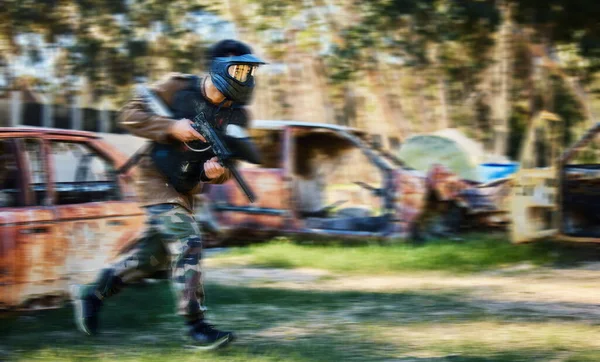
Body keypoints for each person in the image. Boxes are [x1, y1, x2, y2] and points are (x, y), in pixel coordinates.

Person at [72, 39, 266, 350]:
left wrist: (215, 173)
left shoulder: (238, 116)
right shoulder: (177, 86)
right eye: (239, 70)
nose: (246, 78)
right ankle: (196, 326)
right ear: (218, 68)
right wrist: (170, 127)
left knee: (149, 259)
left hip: (186, 187)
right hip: (154, 178)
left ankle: (93, 293)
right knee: (188, 240)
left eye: (250, 71)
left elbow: (227, 166)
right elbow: (128, 114)